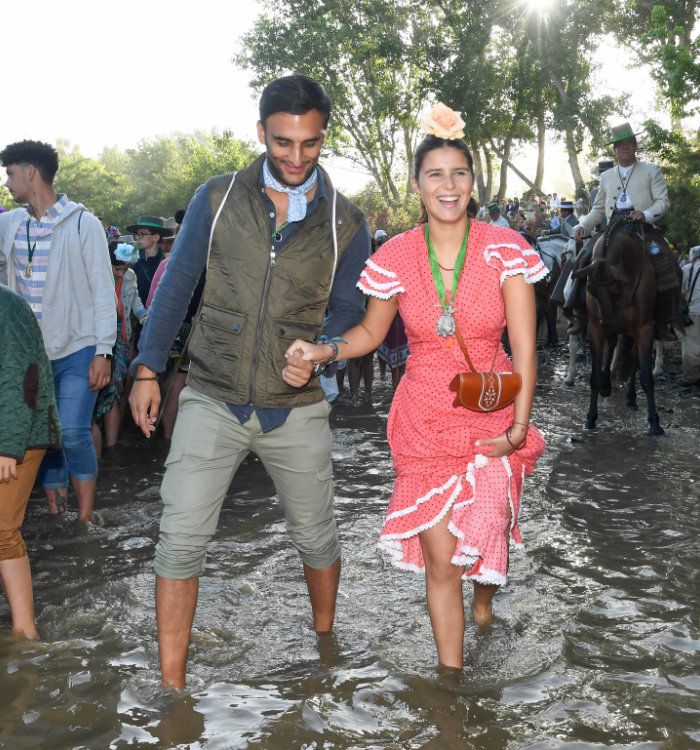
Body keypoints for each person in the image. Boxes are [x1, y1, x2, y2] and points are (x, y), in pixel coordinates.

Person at [129, 74, 370, 687]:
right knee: (179, 541)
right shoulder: (215, 200)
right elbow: (177, 286)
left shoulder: (346, 221)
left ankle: (325, 643)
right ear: (261, 131)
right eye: (283, 141)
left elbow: (349, 310)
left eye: (309, 144)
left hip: (297, 404)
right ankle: (171, 691)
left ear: (322, 138)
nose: (295, 157)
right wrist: (148, 367)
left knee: (317, 538)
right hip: (210, 394)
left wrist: (322, 354)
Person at [285, 104, 546, 669]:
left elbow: (524, 349)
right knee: (441, 562)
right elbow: (371, 333)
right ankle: (449, 686)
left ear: (472, 182)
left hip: (494, 413)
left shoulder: (506, 250)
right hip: (423, 420)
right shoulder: (396, 255)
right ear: (416, 183)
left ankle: (484, 606)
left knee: (485, 533)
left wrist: (519, 428)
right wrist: (324, 348)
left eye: (458, 174)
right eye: (435, 174)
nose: (447, 186)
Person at [0, 140, 116, 521]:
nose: (7, 180)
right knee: (42, 436)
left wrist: (104, 350)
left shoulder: (84, 223)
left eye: (10, 172)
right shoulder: (11, 224)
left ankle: (85, 518)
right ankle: (55, 510)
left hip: (78, 347)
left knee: (71, 431)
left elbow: (103, 289)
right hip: (30, 354)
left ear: (30, 172)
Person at [566, 123, 674, 335]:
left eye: (628, 143)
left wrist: (646, 214)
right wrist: (581, 225)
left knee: (668, 260)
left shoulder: (652, 171)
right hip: (611, 229)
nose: (624, 147)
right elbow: (597, 209)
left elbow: (663, 202)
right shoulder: (606, 177)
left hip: (643, 228)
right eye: (620, 144)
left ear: (635, 146)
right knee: (583, 258)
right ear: (614, 150)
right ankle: (578, 313)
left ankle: (667, 318)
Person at [0, 285, 61, 638]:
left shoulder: (9, 307)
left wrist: (8, 446)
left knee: (3, 531)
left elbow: (22, 377)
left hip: (19, 434)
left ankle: (25, 631)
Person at [93, 241, 147, 455]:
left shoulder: (131, 276)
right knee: (98, 388)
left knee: (115, 389)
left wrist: (145, 317)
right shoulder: (97, 275)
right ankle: (98, 439)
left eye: (124, 269)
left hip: (122, 339)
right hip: (99, 339)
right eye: (117, 269)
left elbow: (136, 303)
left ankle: (112, 447)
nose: (121, 273)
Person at [127, 216, 174, 306]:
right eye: (137, 234)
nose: (138, 238)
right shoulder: (134, 261)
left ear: (156, 237)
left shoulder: (166, 264)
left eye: (142, 234)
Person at [681, 246, 700, 393]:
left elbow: (680, 292)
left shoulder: (687, 269)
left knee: (691, 346)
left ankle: (691, 379)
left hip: (693, 313)